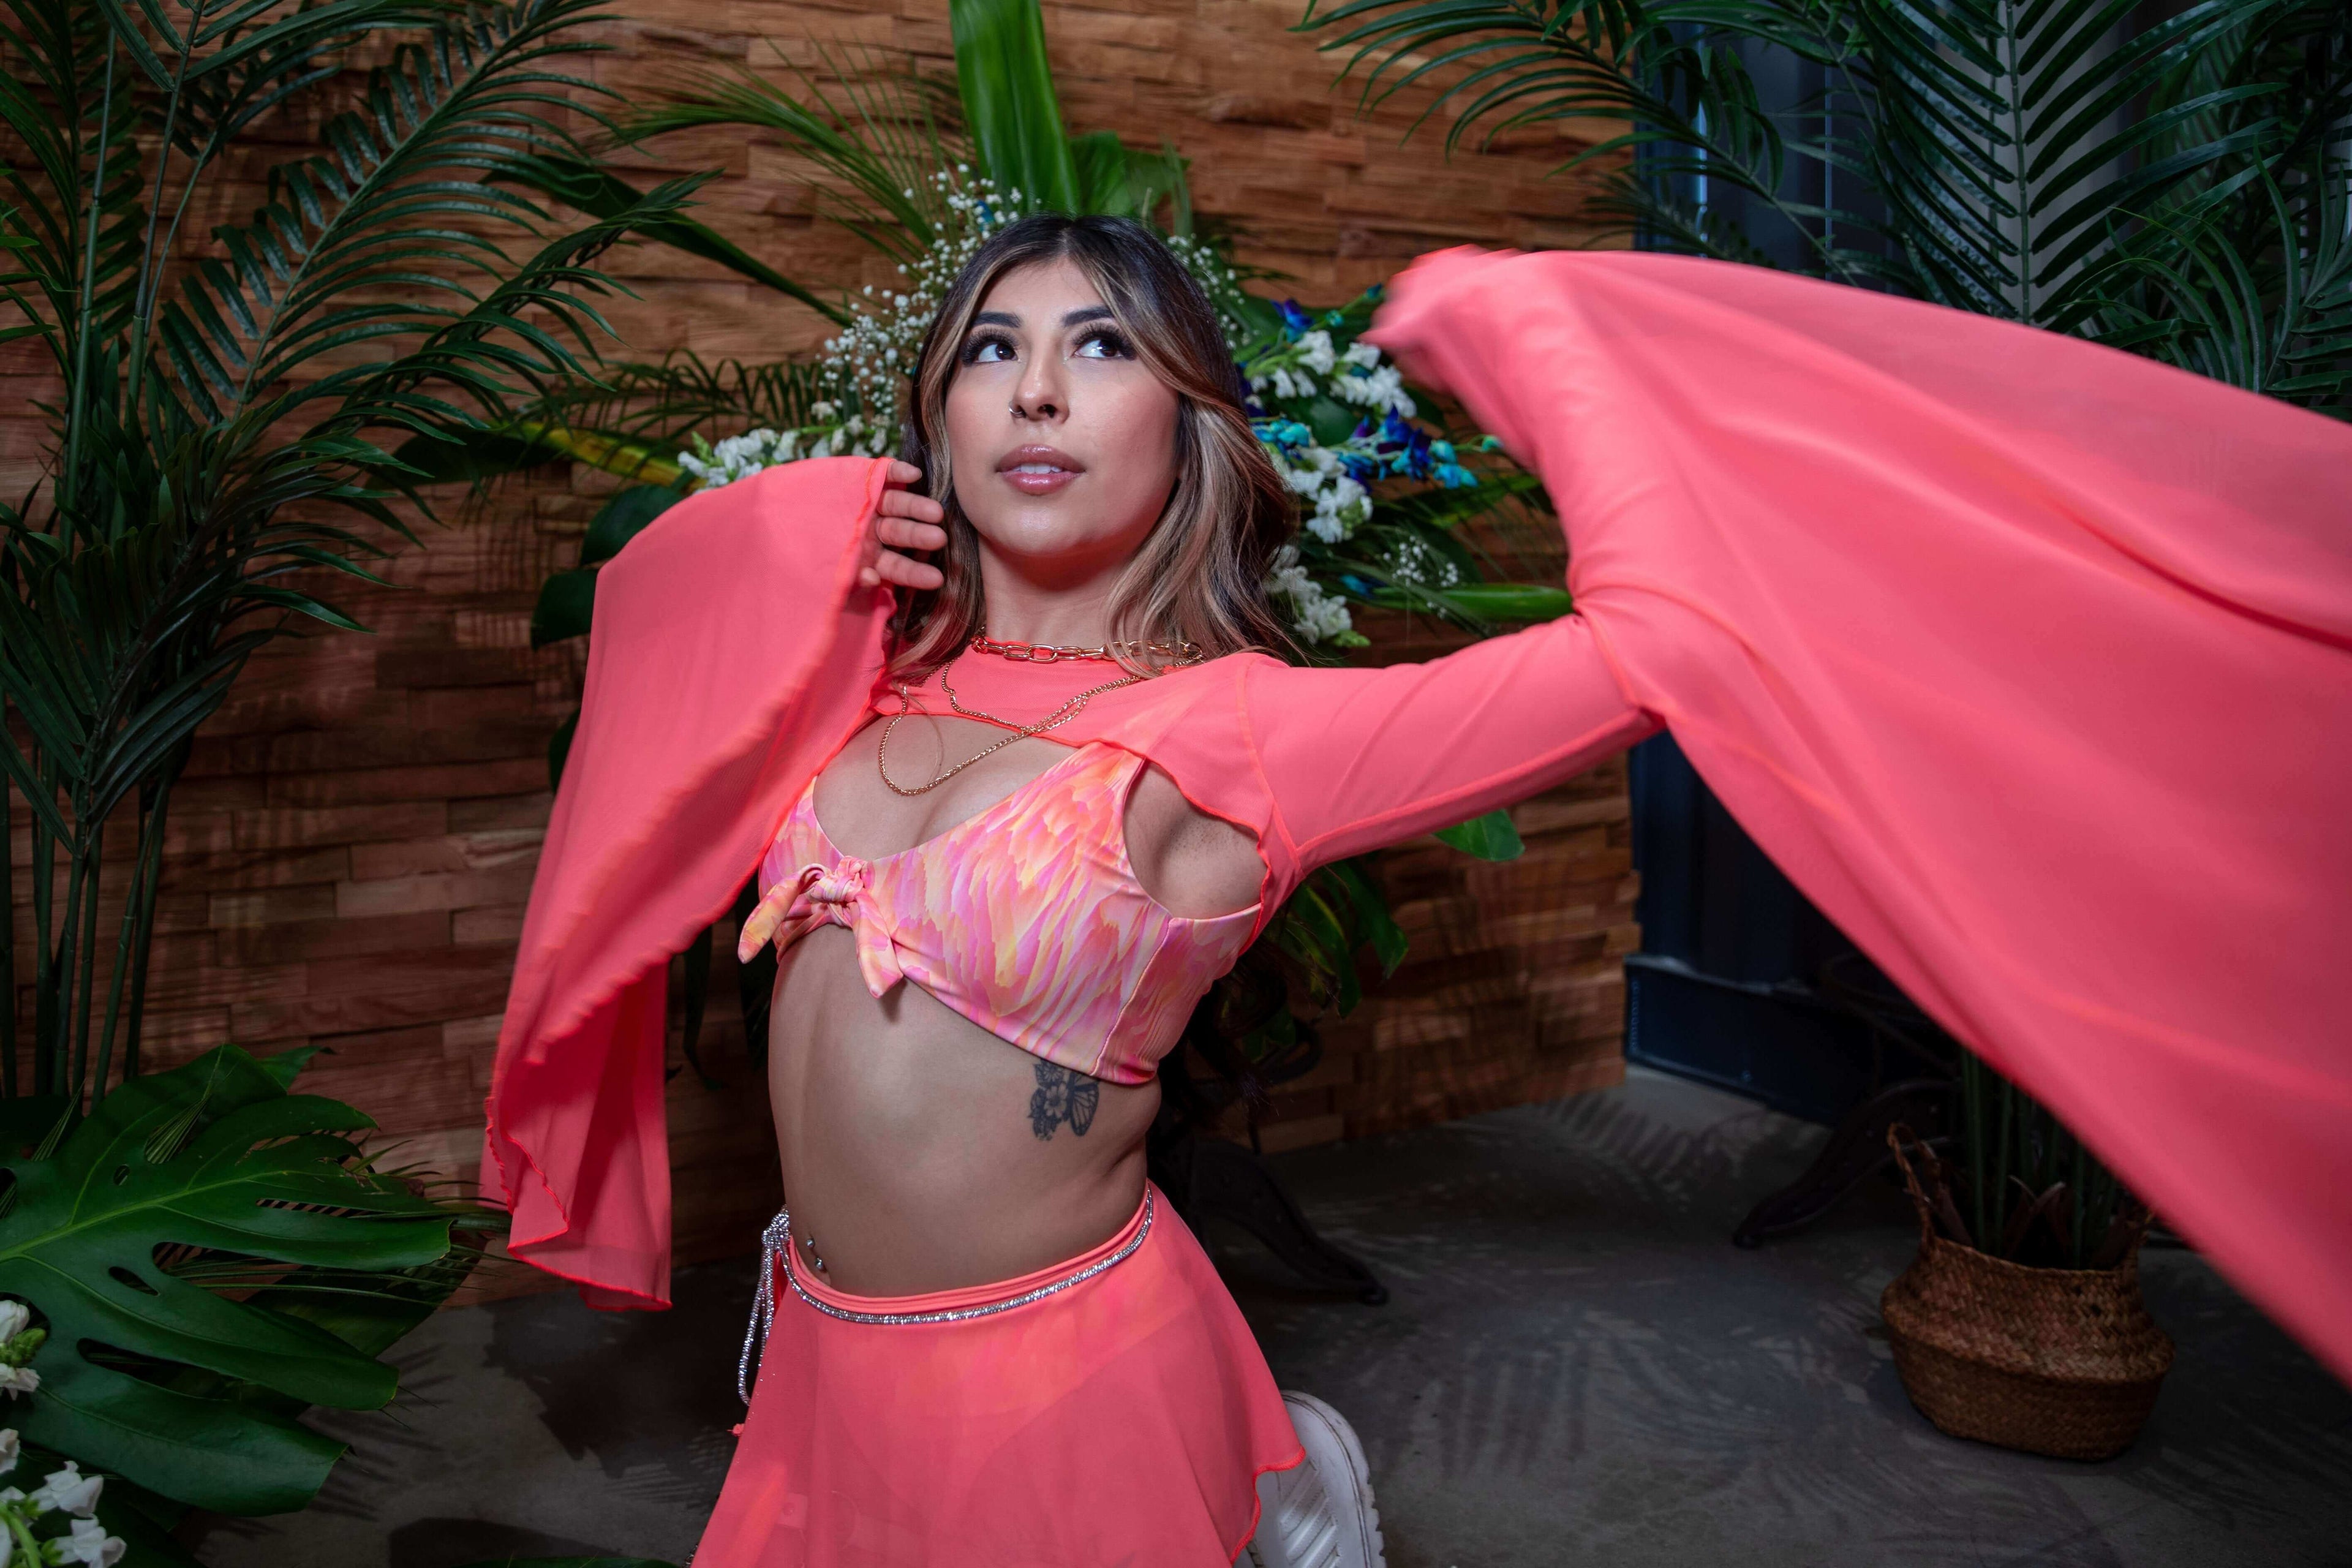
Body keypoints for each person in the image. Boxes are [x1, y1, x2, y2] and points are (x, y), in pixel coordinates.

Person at [484, 219, 2352, 1566]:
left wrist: (1532, 333)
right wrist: (769, 534)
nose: (1037, 387)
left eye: (1102, 346)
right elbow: (639, 688)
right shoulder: (860, 672)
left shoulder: (1257, 735)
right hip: (818, 1348)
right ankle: (1302, 1484)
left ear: (1193, 429)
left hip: (1047, 1390)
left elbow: (1666, 640)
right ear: (939, 419)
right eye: (991, 346)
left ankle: (1294, 1490)